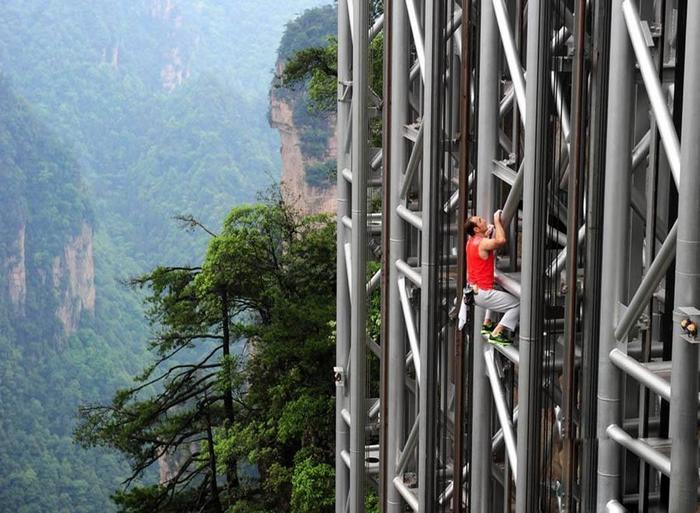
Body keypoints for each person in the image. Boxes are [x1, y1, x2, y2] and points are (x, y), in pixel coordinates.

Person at [465, 210, 519, 345]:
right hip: (483, 293)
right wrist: (496, 221)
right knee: (518, 304)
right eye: (479, 221)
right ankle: (497, 332)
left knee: (497, 291)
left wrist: (487, 234)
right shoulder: (482, 243)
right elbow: (501, 240)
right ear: (477, 229)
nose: (483, 219)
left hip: (474, 292)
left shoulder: (470, 242)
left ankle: (487, 323)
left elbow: (484, 246)